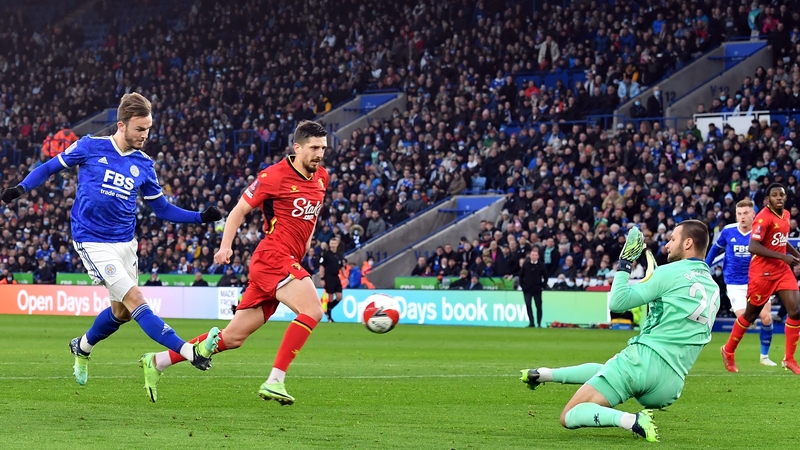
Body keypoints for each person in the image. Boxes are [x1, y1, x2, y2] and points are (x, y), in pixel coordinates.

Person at [0, 92, 223, 389]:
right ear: (121, 125)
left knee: (122, 313)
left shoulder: (144, 165)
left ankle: (82, 346)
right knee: (136, 300)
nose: (145, 135)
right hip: (92, 241)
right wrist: (22, 188)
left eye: (148, 129)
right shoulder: (90, 146)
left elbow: (162, 209)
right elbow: (50, 167)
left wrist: (200, 217)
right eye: (140, 129)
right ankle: (190, 352)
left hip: (125, 243)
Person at [138, 120, 329, 404]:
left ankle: (158, 361)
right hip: (273, 257)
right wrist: (225, 246)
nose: (319, 154)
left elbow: (312, 216)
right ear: (297, 147)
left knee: (232, 337)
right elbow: (239, 211)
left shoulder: (322, 176)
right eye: (314, 148)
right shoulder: (273, 176)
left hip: (289, 259)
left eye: (323, 148)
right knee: (312, 310)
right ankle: (275, 380)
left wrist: (308, 243)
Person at [520, 222, 719, 442]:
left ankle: (631, 421)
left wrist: (625, 263)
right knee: (608, 370)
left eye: (673, 239)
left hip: (642, 362)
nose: (667, 244)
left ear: (688, 243)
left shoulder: (669, 273)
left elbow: (618, 302)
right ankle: (544, 374)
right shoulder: (713, 288)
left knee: (569, 415)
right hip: (670, 385)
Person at [721, 184, 800, 374]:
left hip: (781, 271)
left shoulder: (786, 215)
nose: (778, 197)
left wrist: (797, 255)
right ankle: (728, 350)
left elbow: (782, 240)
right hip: (762, 273)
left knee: (796, 311)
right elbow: (753, 247)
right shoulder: (763, 218)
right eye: (774, 195)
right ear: (768, 199)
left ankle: (789, 359)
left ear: (785, 197)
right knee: (750, 315)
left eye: (781, 194)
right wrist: (783, 257)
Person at [705, 199, 776, 366]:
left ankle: (764, 357)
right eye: (739, 214)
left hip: (758, 280)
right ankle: (730, 347)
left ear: (754, 214)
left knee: (766, 318)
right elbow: (715, 249)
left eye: (745, 213)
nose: (742, 217)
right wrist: (705, 266)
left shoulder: (762, 232)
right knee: (746, 320)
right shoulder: (728, 231)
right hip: (735, 283)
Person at [519, 247, 548, 328]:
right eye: (532, 255)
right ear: (530, 256)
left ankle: (539, 323)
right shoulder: (526, 264)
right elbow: (521, 275)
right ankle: (531, 322)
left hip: (537, 289)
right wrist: (522, 285)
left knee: (538, 306)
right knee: (528, 305)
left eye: (535, 255)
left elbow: (546, 276)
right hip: (527, 289)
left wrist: (543, 286)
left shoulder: (541, 265)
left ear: (538, 256)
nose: (534, 256)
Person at [319, 238, 345, 321]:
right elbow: (322, 267)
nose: (333, 245)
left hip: (336, 276)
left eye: (334, 243)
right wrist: (322, 278)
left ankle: (328, 309)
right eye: (332, 243)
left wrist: (345, 276)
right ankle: (329, 317)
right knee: (330, 296)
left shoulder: (339, 255)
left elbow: (342, 266)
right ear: (329, 244)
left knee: (339, 296)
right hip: (328, 276)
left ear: (337, 244)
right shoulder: (326, 254)